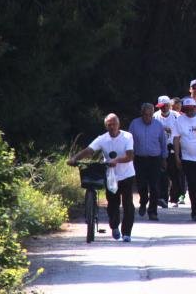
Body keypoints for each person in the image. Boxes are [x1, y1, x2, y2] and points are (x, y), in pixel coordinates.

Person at [68, 113, 136, 241]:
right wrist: (74, 158)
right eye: (109, 125)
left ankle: (127, 233)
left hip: (126, 175)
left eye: (114, 124)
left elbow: (130, 156)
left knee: (127, 204)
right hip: (110, 175)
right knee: (113, 203)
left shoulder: (127, 136)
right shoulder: (102, 139)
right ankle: (114, 227)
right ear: (106, 126)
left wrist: (117, 160)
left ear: (118, 124)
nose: (112, 127)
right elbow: (89, 150)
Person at [129, 102, 168, 220]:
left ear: (153, 115)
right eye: (145, 115)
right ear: (142, 114)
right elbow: (129, 141)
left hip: (155, 159)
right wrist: (129, 157)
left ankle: (152, 211)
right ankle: (143, 201)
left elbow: (163, 142)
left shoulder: (158, 125)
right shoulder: (134, 124)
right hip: (139, 158)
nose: (148, 117)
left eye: (150, 115)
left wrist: (164, 158)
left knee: (154, 185)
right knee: (141, 184)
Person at [153, 95, 178, 209]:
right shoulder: (155, 116)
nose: (163, 108)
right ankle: (163, 198)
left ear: (169, 105)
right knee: (161, 174)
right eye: (161, 106)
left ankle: (174, 198)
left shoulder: (176, 116)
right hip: (159, 148)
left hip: (173, 148)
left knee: (174, 174)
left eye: (165, 106)